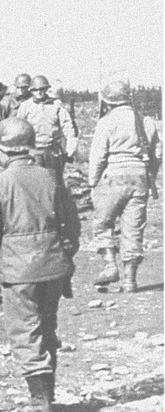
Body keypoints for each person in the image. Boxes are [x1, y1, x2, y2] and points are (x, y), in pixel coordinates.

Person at [0, 117, 79, 412]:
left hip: (18, 272)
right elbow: (72, 225)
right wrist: (65, 255)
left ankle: (39, 402)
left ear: (4, 151)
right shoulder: (52, 178)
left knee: (25, 332)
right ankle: (47, 396)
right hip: (54, 267)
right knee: (47, 329)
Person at [87, 81, 156, 293]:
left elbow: (98, 156)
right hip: (140, 178)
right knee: (133, 229)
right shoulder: (145, 121)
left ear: (107, 100)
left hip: (113, 176)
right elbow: (157, 153)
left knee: (102, 222)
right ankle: (130, 280)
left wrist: (93, 181)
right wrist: (150, 175)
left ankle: (110, 265)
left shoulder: (106, 122)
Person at [16, 74, 78, 183]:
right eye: (35, 90)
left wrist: (71, 146)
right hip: (33, 150)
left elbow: (67, 125)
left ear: (46, 89)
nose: (39, 92)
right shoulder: (25, 106)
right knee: (35, 181)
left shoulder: (56, 104)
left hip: (52, 149)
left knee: (54, 180)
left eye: (42, 89)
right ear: (31, 91)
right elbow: (19, 127)